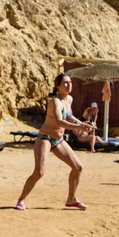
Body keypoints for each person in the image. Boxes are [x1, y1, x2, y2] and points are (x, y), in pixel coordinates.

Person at [15, 73, 93, 211]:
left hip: (58, 140)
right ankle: (21, 199)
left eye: (70, 82)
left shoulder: (69, 99)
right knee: (39, 172)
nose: (69, 85)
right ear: (58, 86)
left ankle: (71, 199)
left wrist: (82, 123)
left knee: (78, 167)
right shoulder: (55, 101)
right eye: (65, 83)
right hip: (45, 138)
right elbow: (58, 121)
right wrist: (79, 127)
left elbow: (69, 116)